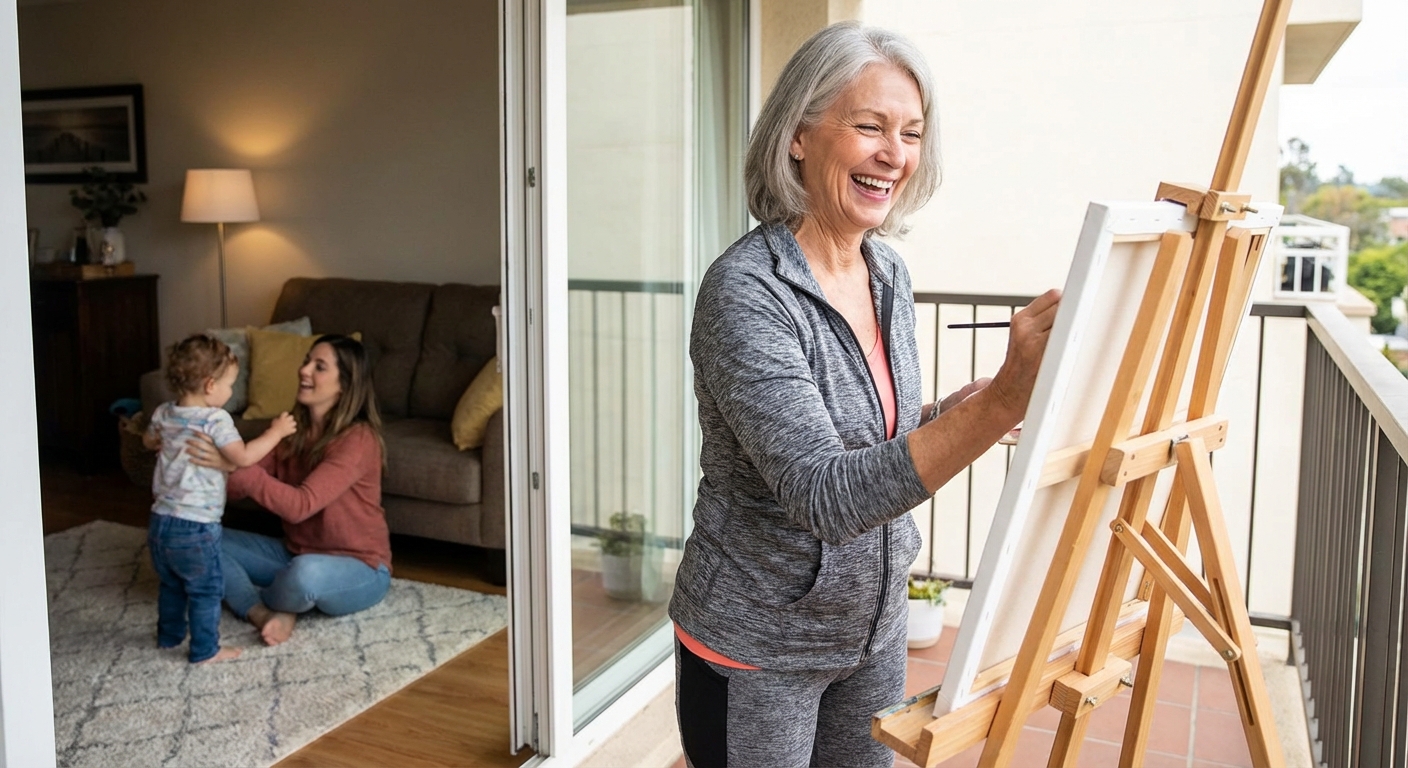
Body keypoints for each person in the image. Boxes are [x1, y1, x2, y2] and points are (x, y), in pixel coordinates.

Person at [668, 22, 1061, 767]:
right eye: (870, 126)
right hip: (758, 649)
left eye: (911, 133)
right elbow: (822, 492)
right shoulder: (746, 294)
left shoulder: (886, 276)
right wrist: (997, 406)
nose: (896, 155)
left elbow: (864, 438)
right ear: (799, 136)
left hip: (870, 631)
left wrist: (953, 413)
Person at [186, 334, 393, 647]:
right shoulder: (290, 429)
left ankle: (282, 600)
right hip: (293, 552)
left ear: (345, 385)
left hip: (361, 566)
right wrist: (226, 466)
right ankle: (261, 611)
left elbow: (301, 505)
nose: (304, 370)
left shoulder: (358, 440)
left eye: (319, 366)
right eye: (306, 361)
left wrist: (233, 465)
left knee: (304, 575)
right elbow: (237, 489)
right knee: (196, 540)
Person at [144, 334, 297, 663]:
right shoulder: (215, 420)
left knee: (171, 584)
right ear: (210, 385)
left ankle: (169, 637)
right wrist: (275, 433)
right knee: (205, 589)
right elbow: (242, 457)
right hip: (196, 526)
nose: (230, 392)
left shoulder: (164, 413)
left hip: (160, 521)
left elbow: (148, 440)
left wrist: (158, 442)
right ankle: (205, 649)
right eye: (230, 384)